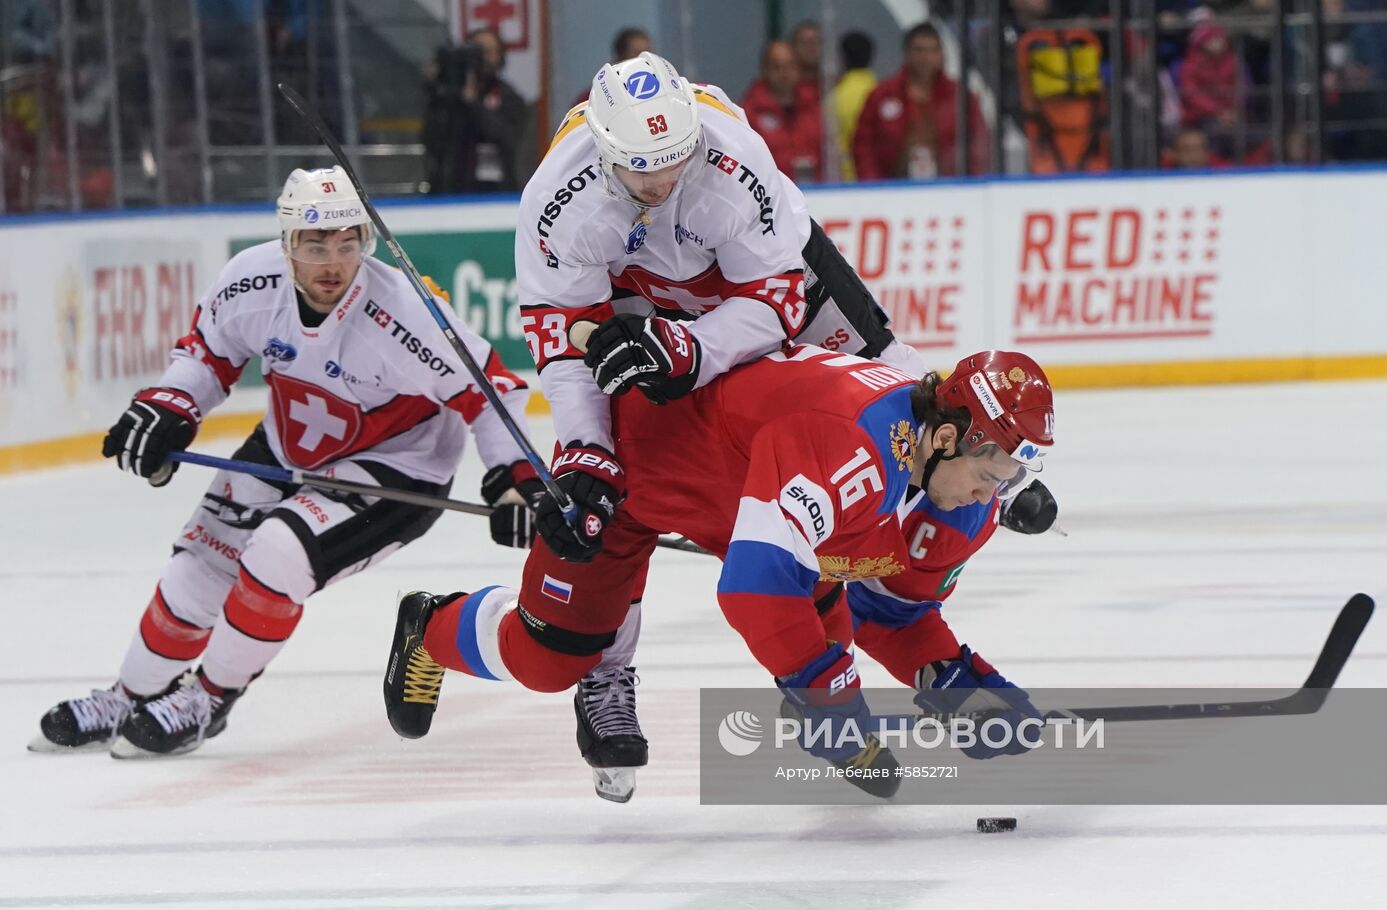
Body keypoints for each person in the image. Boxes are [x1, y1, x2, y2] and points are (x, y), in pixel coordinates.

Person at [29, 166, 541, 758]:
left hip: (396, 467)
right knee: (199, 566)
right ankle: (128, 694)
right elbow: (208, 354)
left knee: (277, 552)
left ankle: (208, 699)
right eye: (315, 244)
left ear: (364, 243)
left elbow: (490, 389)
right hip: (284, 448)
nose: (332, 262)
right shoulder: (249, 282)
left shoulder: (405, 312)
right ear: (287, 243)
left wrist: (516, 482)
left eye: (347, 244)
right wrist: (171, 404)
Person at [383, 346, 1055, 797]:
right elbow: (754, 588)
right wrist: (828, 702)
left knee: (822, 620)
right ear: (944, 437)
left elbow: (892, 612)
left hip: (743, 493)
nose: (990, 492)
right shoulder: (852, 450)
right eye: (990, 471)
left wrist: (955, 684)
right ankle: (432, 625)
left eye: (1009, 475)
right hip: (627, 468)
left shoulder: (961, 504)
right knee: (547, 660)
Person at [853, 22, 987, 179]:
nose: (926, 57)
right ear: (906, 53)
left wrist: (970, 183)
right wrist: (873, 185)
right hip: (892, 186)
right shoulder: (882, 95)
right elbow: (863, 145)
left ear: (941, 54)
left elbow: (979, 143)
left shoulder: (960, 97)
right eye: (919, 50)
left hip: (949, 186)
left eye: (932, 50)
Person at [424, 28, 529, 194]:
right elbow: (432, 141)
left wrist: (473, 103)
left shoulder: (509, 97)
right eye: (477, 51)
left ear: (500, 56)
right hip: (449, 189)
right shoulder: (449, 96)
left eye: (489, 52)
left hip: (495, 190)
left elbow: (506, 138)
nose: (483, 58)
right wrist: (434, 91)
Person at [741, 41, 825, 183]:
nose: (784, 73)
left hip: (816, 191)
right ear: (765, 70)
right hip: (770, 194)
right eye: (776, 67)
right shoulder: (749, 113)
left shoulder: (815, 107)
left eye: (790, 66)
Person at [829, 31, 879, 181]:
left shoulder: (835, 97)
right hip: (875, 177)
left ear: (843, 57)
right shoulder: (880, 92)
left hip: (845, 178)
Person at [573, 27, 654, 106]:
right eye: (637, 53)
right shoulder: (593, 98)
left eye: (647, 52)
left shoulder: (658, 90)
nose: (643, 59)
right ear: (621, 55)